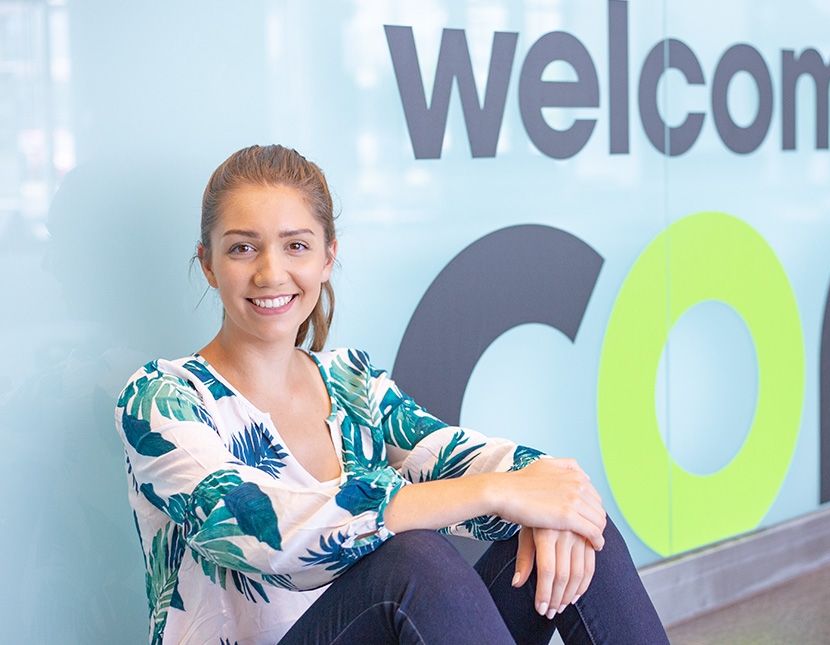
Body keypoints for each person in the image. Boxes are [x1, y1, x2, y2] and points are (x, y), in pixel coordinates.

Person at [114, 144, 669, 644]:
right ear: (208, 263)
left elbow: (456, 453)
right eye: (242, 249)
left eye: (296, 246)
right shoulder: (161, 401)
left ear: (327, 258)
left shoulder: (353, 384)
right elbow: (253, 530)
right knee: (414, 562)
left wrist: (550, 487)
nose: (270, 272)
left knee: (575, 522)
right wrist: (497, 493)